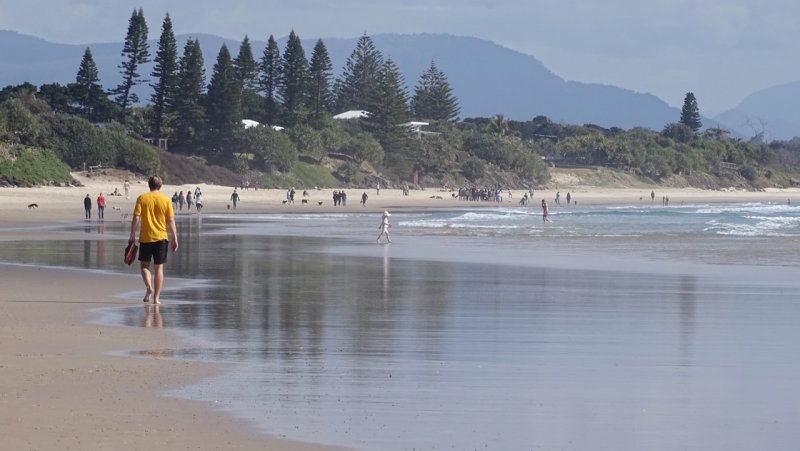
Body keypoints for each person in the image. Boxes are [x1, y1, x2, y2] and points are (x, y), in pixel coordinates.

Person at [129, 176, 178, 305]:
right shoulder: (166, 200)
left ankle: (149, 288)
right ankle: (156, 298)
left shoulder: (142, 198)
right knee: (159, 268)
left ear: (149, 185)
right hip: (161, 238)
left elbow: (136, 217)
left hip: (146, 237)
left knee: (144, 266)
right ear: (160, 185)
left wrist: (132, 234)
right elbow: (171, 220)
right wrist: (175, 237)